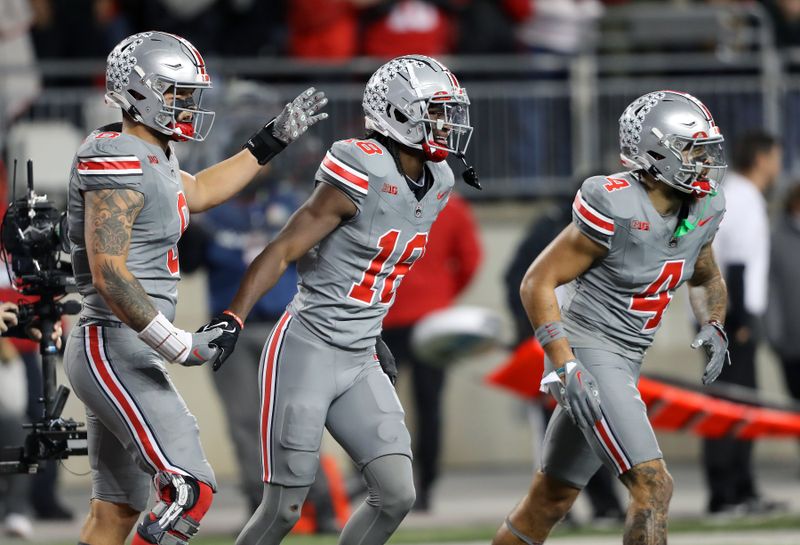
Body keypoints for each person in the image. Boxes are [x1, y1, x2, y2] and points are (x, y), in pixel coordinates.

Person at [61, 31, 327, 545]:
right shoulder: (115, 153)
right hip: (112, 343)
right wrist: (178, 342)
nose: (187, 105)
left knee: (116, 512)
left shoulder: (149, 153)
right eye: (176, 93)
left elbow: (202, 191)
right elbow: (109, 272)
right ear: (138, 91)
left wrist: (269, 140)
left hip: (125, 345)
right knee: (188, 489)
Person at [198, 54, 474, 545]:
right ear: (399, 111)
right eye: (436, 111)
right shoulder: (360, 163)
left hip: (361, 351)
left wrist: (374, 332)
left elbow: (377, 271)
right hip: (309, 346)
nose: (447, 124)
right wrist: (232, 318)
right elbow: (282, 248)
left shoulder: (442, 182)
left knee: (396, 495)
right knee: (284, 508)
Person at [493, 90, 730, 545]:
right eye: (691, 148)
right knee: (653, 485)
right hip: (588, 351)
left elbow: (705, 277)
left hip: (626, 359)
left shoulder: (704, 207)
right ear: (655, 152)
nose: (703, 160)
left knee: (552, 498)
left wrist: (713, 321)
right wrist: (563, 363)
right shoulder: (615, 202)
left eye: (705, 148)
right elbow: (535, 282)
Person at [381, 191, 482, 512]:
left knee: (377, 407)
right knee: (430, 407)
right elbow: (470, 260)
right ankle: (425, 488)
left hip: (387, 316)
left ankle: (381, 483)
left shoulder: (384, 199)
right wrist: (442, 296)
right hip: (432, 320)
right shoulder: (451, 206)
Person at [704, 130, 782, 515]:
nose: (779, 164)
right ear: (762, 158)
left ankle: (742, 487)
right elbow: (734, 259)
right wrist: (736, 319)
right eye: (776, 155)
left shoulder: (735, 193)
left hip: (726, 315)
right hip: (730, 318)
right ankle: (726, 492)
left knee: (742, 405)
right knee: (729, 406)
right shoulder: (743, 197)